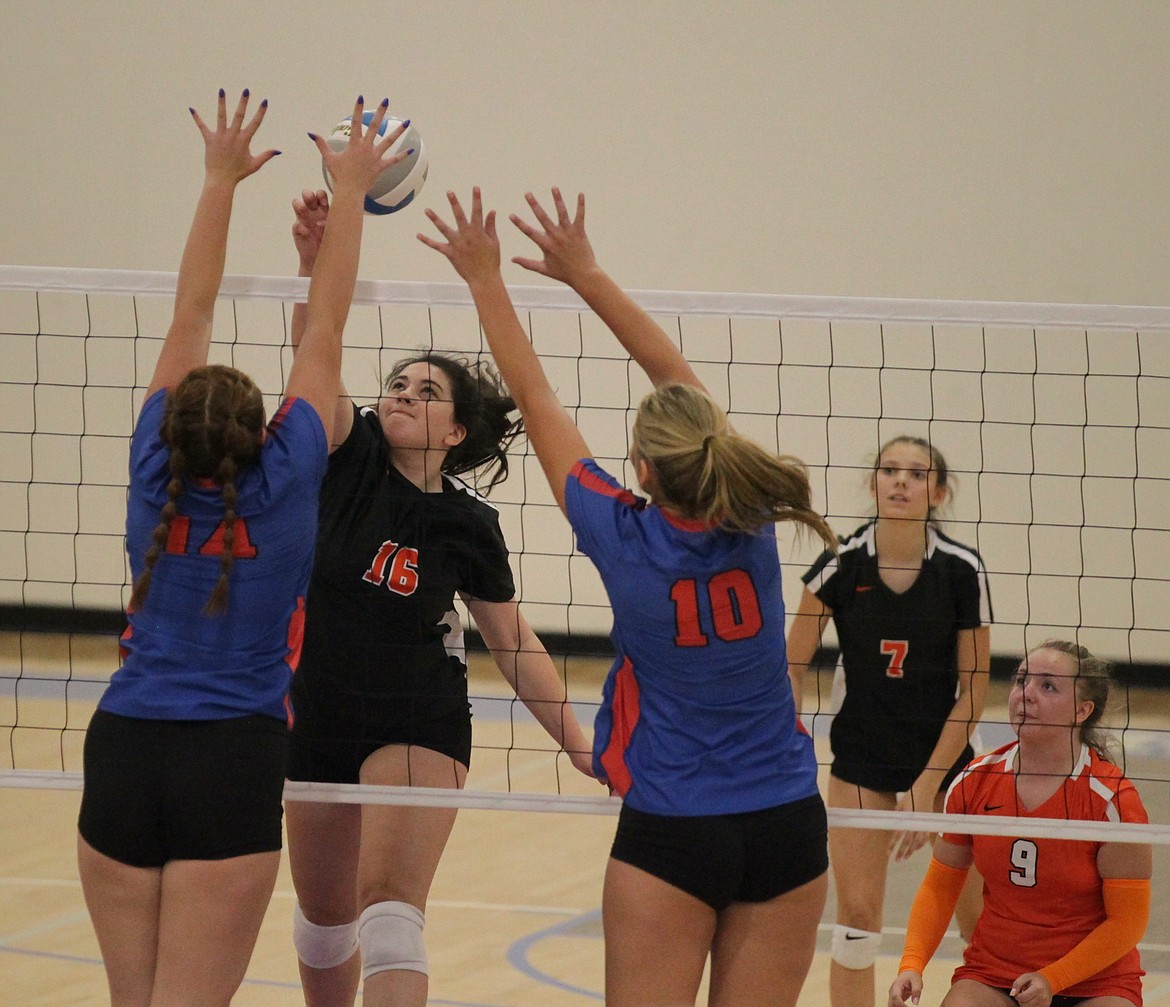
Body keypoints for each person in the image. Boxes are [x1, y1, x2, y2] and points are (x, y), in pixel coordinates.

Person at [420, 185, 834, 1007]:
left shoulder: (623, 538)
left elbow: (535, 398)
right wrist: (588, 274)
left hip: (674, 828)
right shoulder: (750, 521)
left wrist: (485, 279)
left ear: (641, 472)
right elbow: (680, 389)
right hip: (788, 822)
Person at [75, 92, 406, 1006]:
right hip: (233, 759)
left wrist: (218, 180)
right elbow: (327, 328)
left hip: (125, 750)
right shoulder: (289, 476)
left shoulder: (153, 472)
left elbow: (190, 307)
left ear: (169, 426)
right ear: (266, 433)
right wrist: (349, 197)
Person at [282, 189, 595, 1007]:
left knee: (388, 914)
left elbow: (513, 640)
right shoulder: (342, 458)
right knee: (320, 923)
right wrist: (311, 266)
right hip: (313, 710)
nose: (402, 394)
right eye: (397, 383)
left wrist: (576, 740)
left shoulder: (466, 522)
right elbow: (313, 352)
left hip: (415, 717)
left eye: (426, 391)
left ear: (457, 432)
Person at [785, 435, 993, 1007]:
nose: (901, 481)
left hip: (947, 757)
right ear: (873, 483)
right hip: (863, 755)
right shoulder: (838, 564)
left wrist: (927, 787)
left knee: (980, 921)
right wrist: (790, 743)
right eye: (889, 470)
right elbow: (791, 664)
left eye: (916, 473)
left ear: (938, 491)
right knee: (855, 917)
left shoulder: (960, 570)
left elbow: (974, 692)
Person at [889, 640, 1152, 1007]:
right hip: (996, 973)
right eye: (1021, 680)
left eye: (1047, 686)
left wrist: (1053, 978)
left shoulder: (1112, 801)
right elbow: (940, 887)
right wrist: (912, 964)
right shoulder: (974, 780)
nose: (1026, 694)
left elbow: (1128, 923)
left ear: (1082, 710)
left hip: (1094, 980)